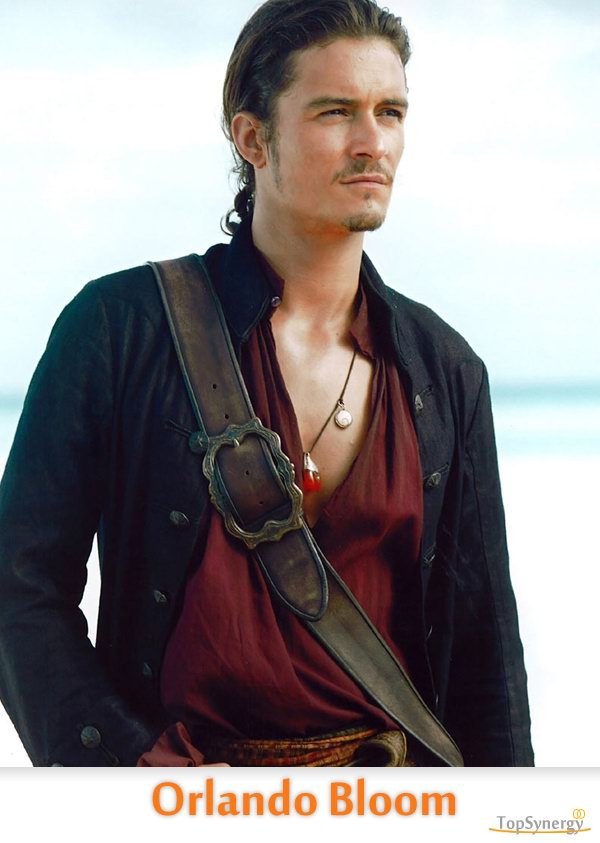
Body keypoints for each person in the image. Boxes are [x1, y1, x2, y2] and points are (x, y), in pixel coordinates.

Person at [0, 0, 533, 767]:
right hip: (180, 803)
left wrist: (512, 815)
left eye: (390, 112)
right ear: (252, 137)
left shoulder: (444, 369)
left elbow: (486, 655)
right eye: (335, 111)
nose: (372, 142)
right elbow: (20, 587)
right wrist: (126, 767)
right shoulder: (117, 330)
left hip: (389, 800)